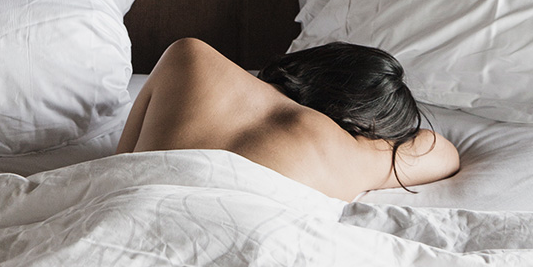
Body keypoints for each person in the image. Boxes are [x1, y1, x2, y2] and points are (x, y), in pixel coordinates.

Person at [115, 37, 460, 203]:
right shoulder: (341, 151)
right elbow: (440, 150)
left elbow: (117, 166)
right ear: (360, 122)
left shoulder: (190, 55)